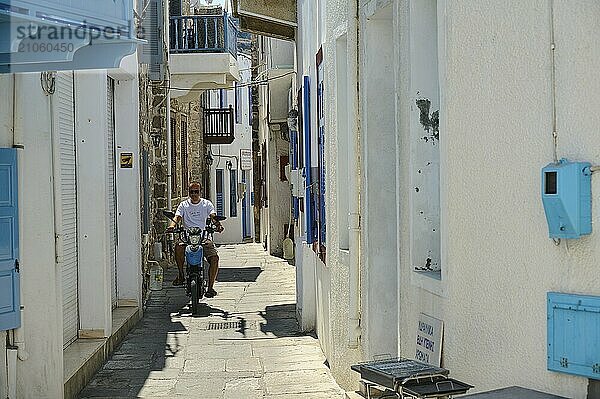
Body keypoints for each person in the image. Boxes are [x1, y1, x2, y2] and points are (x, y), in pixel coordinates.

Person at [166, 181, 224, 298]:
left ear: (200, 192)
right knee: (178, 248)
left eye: (196, 192)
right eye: (191, 192)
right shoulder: (184, 205)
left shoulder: (206, 204)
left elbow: (212, 216)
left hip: (203, 237)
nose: (194, 194)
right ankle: (181, 274)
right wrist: (172, 226)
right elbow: (177, 216)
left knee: (214, 258)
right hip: (188, 236)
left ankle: (211, 287)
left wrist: (218, 225)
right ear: (189, 193)